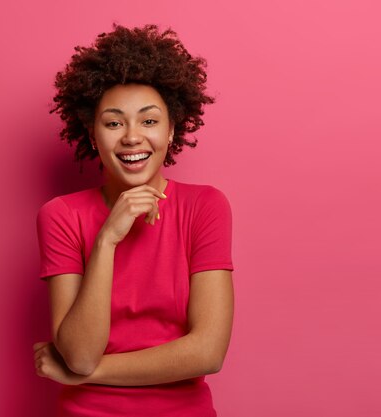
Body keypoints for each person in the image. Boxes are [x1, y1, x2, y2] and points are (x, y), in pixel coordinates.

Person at [34, 24, 234, 417]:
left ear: (172, 129)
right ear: (93, 135)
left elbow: (208, 352)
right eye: (113, 123)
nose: (131, 137)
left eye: (148, 121)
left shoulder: (205, 207)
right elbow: (79, 352)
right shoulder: (61, 216)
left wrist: (86, 374)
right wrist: (107, 238)